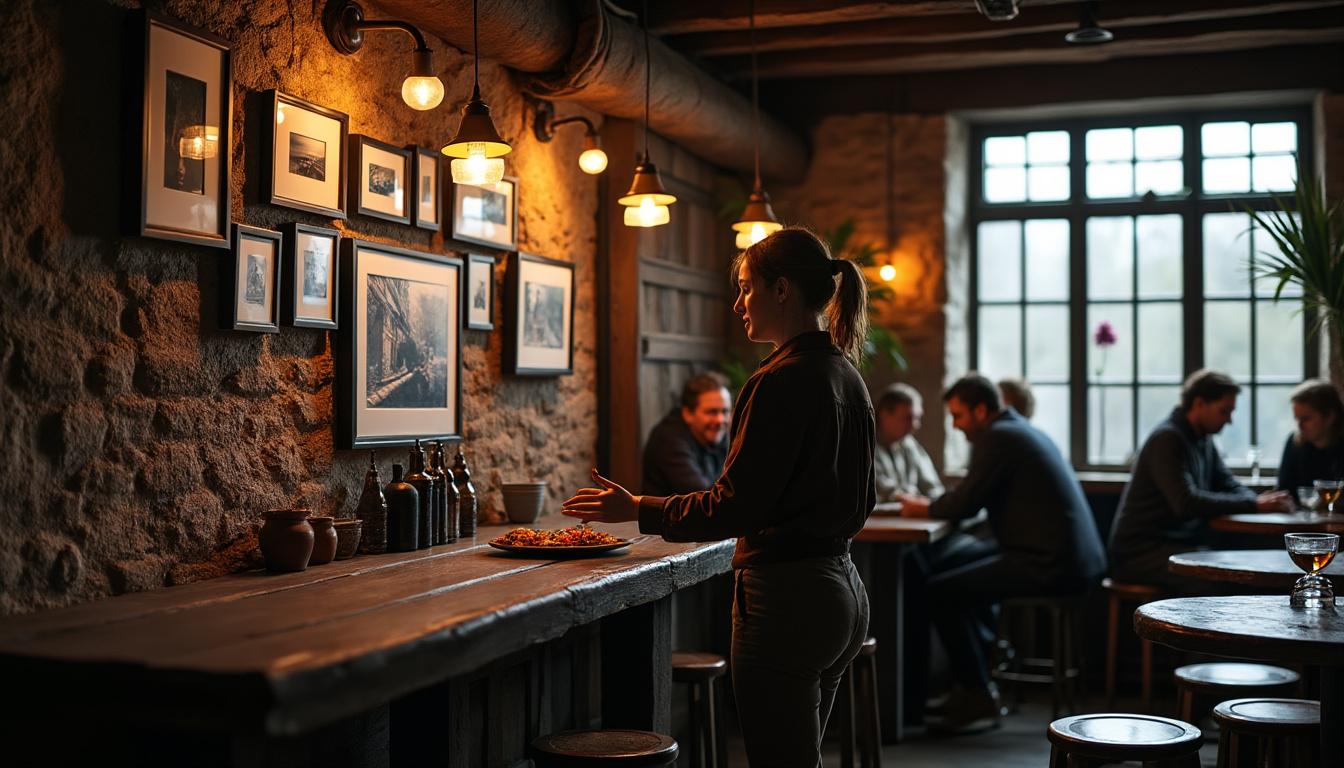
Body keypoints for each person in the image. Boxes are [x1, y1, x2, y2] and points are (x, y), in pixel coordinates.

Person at [563, 228, 875, 766]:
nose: (738, 303)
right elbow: (865, 499)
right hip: (843, 591)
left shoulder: (780, 380)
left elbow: (734, 507)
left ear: (781, 291)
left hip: (788, 600)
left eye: (747, 288)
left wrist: (636, 508)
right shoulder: (846, 373)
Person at [900, 373, 1106, 732]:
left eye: (958, 415)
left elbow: (965, 502)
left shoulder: (998, 437)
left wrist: (923, 508)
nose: (955, 425)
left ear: (981, 410)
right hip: (1068, 558)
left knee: (940, 591)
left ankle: (978, 694)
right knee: (957, 577)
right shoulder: (1018, 430)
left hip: (1050, 564)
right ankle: (975, 686)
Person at [1109, 369, 1293, 589]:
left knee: (1239, 566)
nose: (1229, 420)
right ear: (1199, 404)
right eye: (1224, 411)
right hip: (1140, 553)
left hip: (1175, 545)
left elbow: (1228, 482)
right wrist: (1254, 504)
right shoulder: (1167, 438)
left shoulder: (1203, 439)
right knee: (1225, 576)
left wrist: (1254, 501)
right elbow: (1185, 503)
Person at [642, 372, 732, 495]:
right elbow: (703, 498)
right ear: (688, 414)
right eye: (712, 412)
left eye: (725, 411)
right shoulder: (669, 440)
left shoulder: (719, 433)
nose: (720, 420)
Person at [874, 382, 943, 503]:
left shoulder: (910, 444)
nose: (915, 425)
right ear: (884, 414)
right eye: (908, 418)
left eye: (918, 418)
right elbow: (877, 487)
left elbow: (932, 486)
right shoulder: (864, 446)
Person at [1276, 378, 1344, 501]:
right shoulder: (1295, 444)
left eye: (1306, 419)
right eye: (1297, 419)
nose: (1299, 426)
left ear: (1329, 417)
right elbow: (1285, 492)